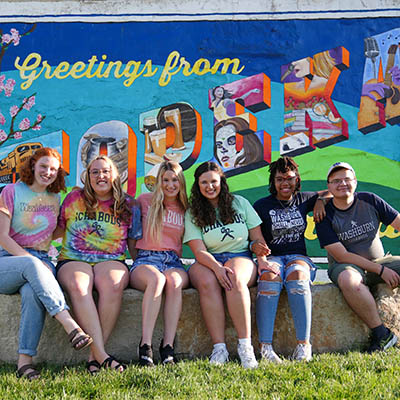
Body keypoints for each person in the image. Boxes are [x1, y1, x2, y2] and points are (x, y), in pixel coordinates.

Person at [0, 147, 93, 380]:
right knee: (34, 266)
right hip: (7, 261)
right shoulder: (11, 191)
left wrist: (79, 206)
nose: (48, 172)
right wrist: (29, 259)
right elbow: (2, 236)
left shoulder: (55, 198)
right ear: (32, 165)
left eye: (53, 169)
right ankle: (70, 324)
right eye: (43, 166)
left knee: (33, 293)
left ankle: (24, 363)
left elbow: (56, 231)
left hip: (40, 262)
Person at [55, 155, 141, 374]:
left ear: (115, 175)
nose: (100, 176)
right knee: (79, 284)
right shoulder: (74, 198)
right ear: (88, 177)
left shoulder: (129, 204)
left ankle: (94, 357)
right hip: (74, 257)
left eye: (105, 171)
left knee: (113, 283)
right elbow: (57, 229)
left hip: (111, 259)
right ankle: (102, 356)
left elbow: (133, 244)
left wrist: (142, 266)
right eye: (95, 172)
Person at [184, 161, 270, 369]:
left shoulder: (239, 203)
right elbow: (199, 251)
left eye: (214, 181)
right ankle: (219, 347)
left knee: (234, 277)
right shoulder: (192, 212)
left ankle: (245, 347)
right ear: (197, 185)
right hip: (208, 260)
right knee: (206, 282)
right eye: (204, 182)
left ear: (221, 181)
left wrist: (261, 256)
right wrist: (216, 268)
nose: (209, 186)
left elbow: (257, 238)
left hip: (239, 256)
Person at [316, 162, 400, 352]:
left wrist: (381, 267)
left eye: (347, 179)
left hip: (380, 261)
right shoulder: (323, 215)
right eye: (336, 181)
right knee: (349, 280)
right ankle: (382, 335)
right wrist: (381, 271)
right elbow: (342, 255)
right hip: (346, 266)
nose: (342, 184)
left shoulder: (370, 200)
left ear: (355, 181)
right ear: (328, 186)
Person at [252, 156, 328, 363]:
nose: (285, 183)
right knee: (269, 277)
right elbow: (253, 234)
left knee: (297, 275)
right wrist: (257, 251)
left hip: (297, 256)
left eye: (289, 179)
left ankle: (303, 346)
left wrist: (320, 200)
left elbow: (329, 191)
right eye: (280, 179)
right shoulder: (261, 205)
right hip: (273, 257)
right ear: (273, 182)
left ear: (297, 180)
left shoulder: (304, 199)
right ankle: (265, 348)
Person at [130, 161, 189, 366]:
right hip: (146, 259)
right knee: (156, 280)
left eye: (174, 180)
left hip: (172, 261)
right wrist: (138, 259)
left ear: (181, 182)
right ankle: (145, 345)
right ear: (158, 182)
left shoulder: (185, 209)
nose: (170, 185)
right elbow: (132, 236)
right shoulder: (144, 200)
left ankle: (168, 346)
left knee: (174, 283)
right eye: (165, 180)